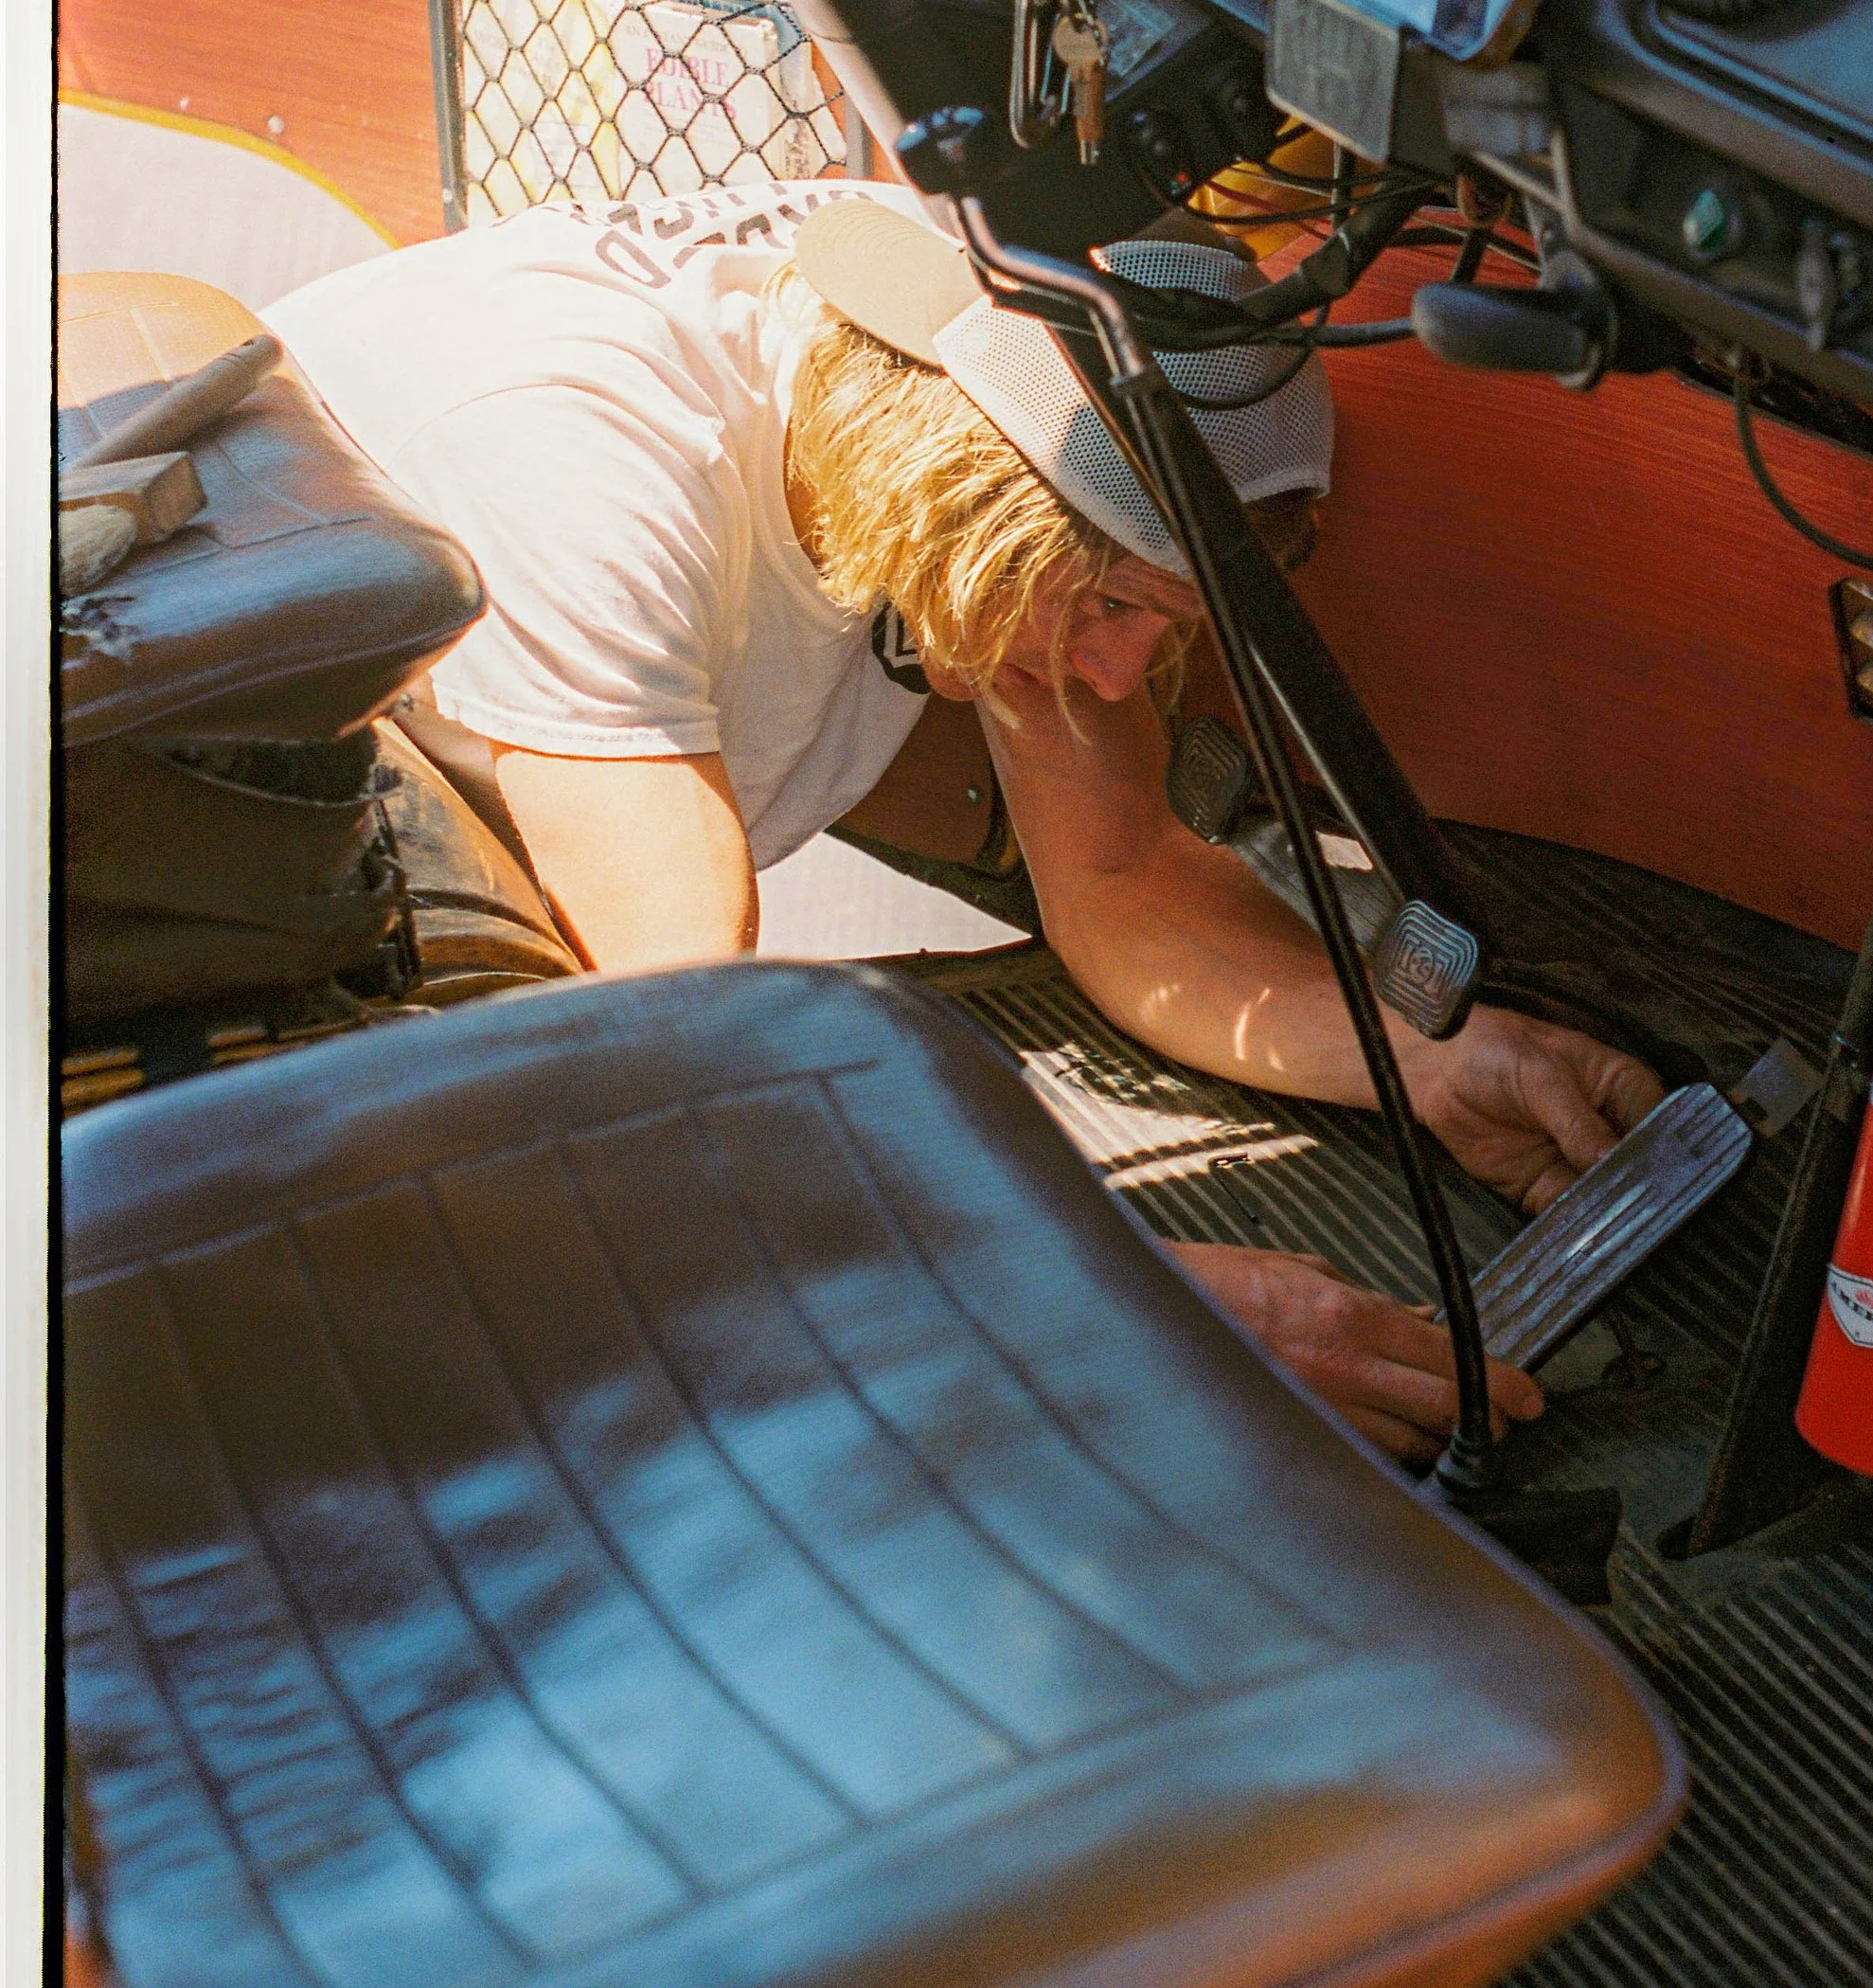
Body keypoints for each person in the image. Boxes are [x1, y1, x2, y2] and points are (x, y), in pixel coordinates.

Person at [267, 176, 1661, 1463]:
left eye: (1157, 627)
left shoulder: (1012, 366)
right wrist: (1117, 1307)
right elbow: (671, 1094)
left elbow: (1123, 881)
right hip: (232, 838)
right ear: (962, 486)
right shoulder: (594, 475)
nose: (1118, 674)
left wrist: (1423, 1062)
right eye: (1108, 604)